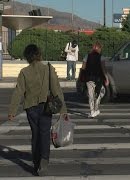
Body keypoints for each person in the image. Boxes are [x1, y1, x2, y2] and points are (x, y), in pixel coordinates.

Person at [8, 44, 68, 176]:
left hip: (31, 108)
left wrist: (12, 111)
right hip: (46, 106)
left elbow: (18, 92)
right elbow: (56, 89)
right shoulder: (48, 68)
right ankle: (44, 161)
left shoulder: (24, 72)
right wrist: (63, 110)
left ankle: (36, 163)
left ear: (27, 56)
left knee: (35, 135)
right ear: (39, 54)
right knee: (45, 134)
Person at [81, 42, 109, 118]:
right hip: (98, 78)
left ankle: (92, 111)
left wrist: (82, 77)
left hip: (89, 78)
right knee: (99, 93)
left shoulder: (87, 56)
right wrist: (106, 78)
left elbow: (83, 67)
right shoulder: (101, 57)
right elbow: (103, 69)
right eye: (100, 48)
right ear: (98, 48)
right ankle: (96, 108)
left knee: (90, 95)